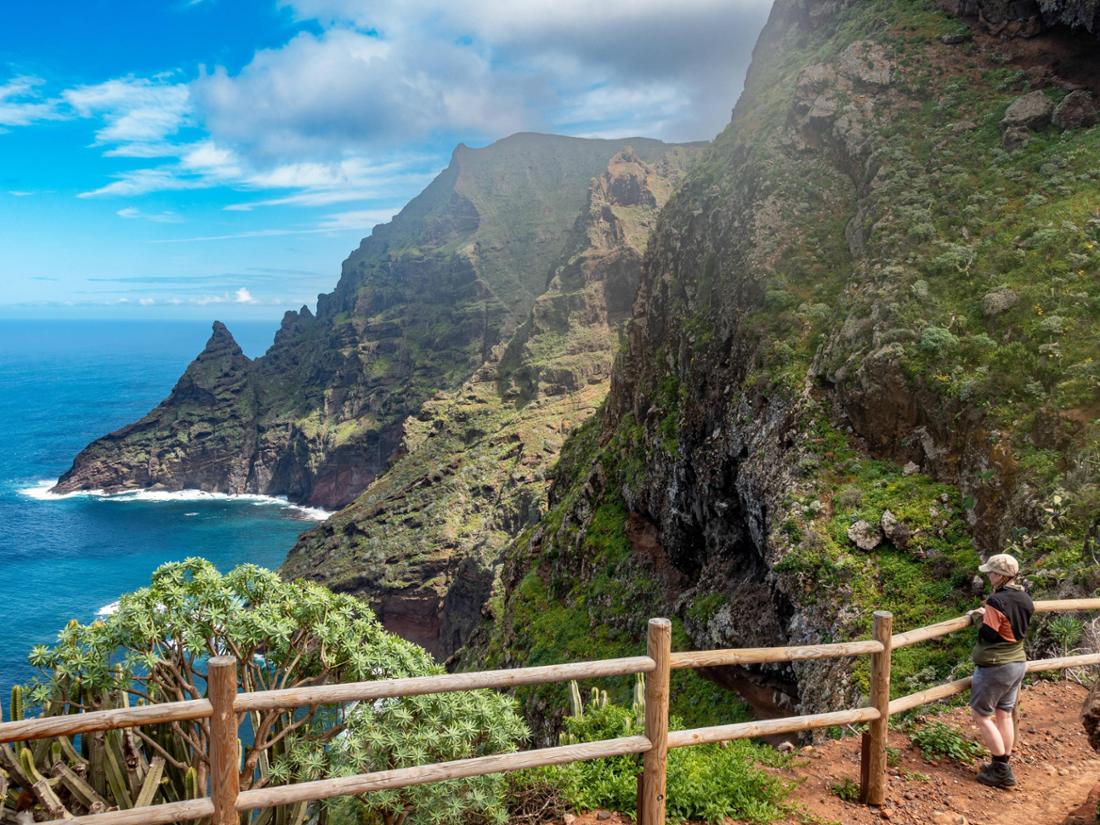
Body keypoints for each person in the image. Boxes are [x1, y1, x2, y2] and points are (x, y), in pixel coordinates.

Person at [968, 553, 1033, 788]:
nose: (989, 576)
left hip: (996, 665)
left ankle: (1000, 770)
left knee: (981, 715)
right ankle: (1003, 763)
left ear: (1000, 576)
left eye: (991, 573)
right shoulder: (1025, 597)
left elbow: (989, 633)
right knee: (1004, 713)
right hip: (1017, 662)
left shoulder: (996, 601)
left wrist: (980, 617)